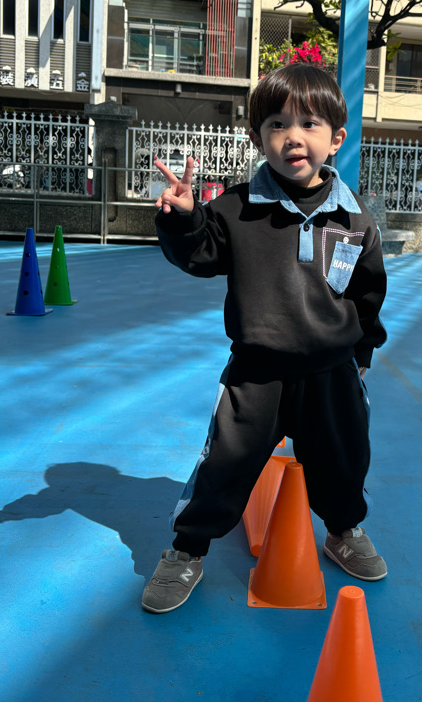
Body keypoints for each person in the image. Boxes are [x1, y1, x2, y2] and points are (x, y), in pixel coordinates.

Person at [142, 64, 388, 614]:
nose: (293, 137)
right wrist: (184, 219)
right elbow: (200, 255)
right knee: (225, 464)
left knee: (344, 458)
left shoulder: (355, 219)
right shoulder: (235, 208)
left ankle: (344, 530)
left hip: (331, 372)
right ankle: (187, 549)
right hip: (257, 372)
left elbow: (367, 291)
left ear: (336, 138)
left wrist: (362, 353)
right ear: (258, 138)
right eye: (277, 124)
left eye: (309, 123)